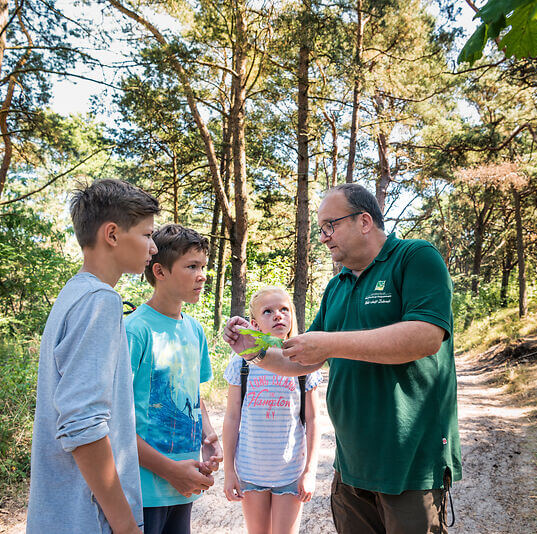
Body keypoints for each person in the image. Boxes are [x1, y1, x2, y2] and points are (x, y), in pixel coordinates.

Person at [224, 183, 462, 534]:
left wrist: (331, 344)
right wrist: (253, 350)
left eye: (330, 226)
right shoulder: (337, 286)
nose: (323, 237)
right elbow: (302, 360)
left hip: (410, 463)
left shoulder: (415, 257)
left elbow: (425, 337)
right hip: (351, 466)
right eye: (321, 229)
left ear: (364, 221)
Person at [27, 178, 160, 534]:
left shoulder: (74, 293)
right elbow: (82, 425)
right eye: (147, 235)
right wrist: (126, 526)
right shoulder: (100, 301)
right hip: (89, 518)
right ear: (112, 234)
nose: (153, 247)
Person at [124, 224, 224, 534]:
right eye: (192, 266)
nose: (202, 275)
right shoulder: (135, 330)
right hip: (144, 488)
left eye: (204, 266)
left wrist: (208, 437)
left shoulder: (194, 330)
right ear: (160, 271)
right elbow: (115, 420)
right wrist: (169, 471)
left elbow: (193, 392)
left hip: (184, 482)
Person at [221, 287, 323, 534]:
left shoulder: (304, 361)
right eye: (268, 311)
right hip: (251, 469)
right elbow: (232, 417)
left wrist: (310, 471)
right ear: (255, 324)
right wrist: (228, 472)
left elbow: (313, 418)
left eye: (284, 309)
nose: (278, 315)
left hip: (290, 472)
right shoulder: (242, 362)